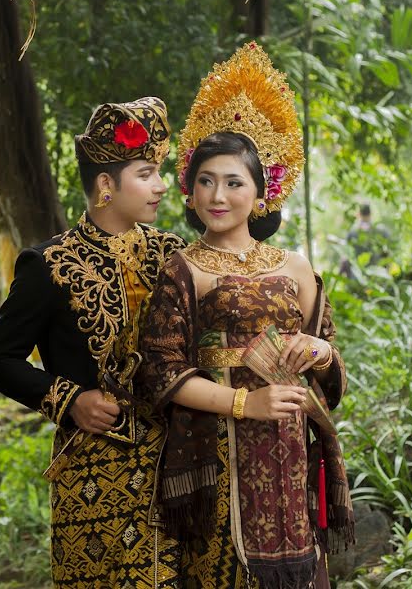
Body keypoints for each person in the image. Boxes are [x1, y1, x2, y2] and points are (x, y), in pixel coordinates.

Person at [138, 44, 355, 588]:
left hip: (292, 449)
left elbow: (329, 358)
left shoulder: (297, 266)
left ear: (261, 193)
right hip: (218, 450)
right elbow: (161, 372)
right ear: (189, 189)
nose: (218, 194)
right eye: (206, 180)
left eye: (234, 182)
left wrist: (321, 352)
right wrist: (244, 403)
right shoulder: (182, 269)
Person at [0, 97, 187, 587]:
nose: (160, 186)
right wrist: (70, 400)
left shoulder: (175, 255)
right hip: (93, 478)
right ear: (106, 185)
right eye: (146, 172)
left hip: (173, 465)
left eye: (160, 172)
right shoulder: (48, 264)